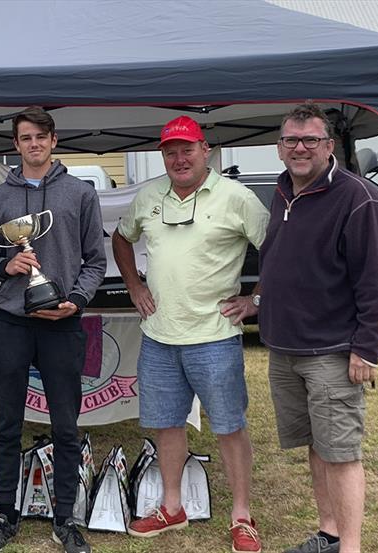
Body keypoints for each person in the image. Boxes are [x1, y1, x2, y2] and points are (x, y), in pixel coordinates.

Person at [112, 115, 268, 553]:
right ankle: (172, 507)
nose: (178, 158)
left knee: (229, 426)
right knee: (166, 425)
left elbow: (277, 246)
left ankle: (242, 514)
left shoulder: (236, 197)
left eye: (186, 149)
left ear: (206, 151)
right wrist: (134, 285)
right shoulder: (150, 196)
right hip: (160, 337)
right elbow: (122, 239)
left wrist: (257, 299)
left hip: (215, 336)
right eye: (169, 152)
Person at [257, 102, 378, 553]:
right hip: (286, 349)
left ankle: (351, 546)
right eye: (291, 140)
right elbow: (279, 261)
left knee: (341, 452)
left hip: (332, 352)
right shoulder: (282, 192)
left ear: (328, 145)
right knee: (317, 445)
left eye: (310, 140)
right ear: (279, 148)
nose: (300, 148)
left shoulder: (358, 199)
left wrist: (368, 348)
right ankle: (329, 534)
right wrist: (257, 300)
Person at [0, 106, 106, 553]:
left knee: (67, 425)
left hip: (63, 323)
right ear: (16, 144)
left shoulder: (80, 193)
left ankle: (65, 518)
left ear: (54, 141)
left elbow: (95, 260)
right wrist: (6, 265)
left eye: (41, 137)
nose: (33, 144)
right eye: (25, 137)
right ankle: (7, 516)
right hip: (11, 322)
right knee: (7, 423)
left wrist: (78, 300)